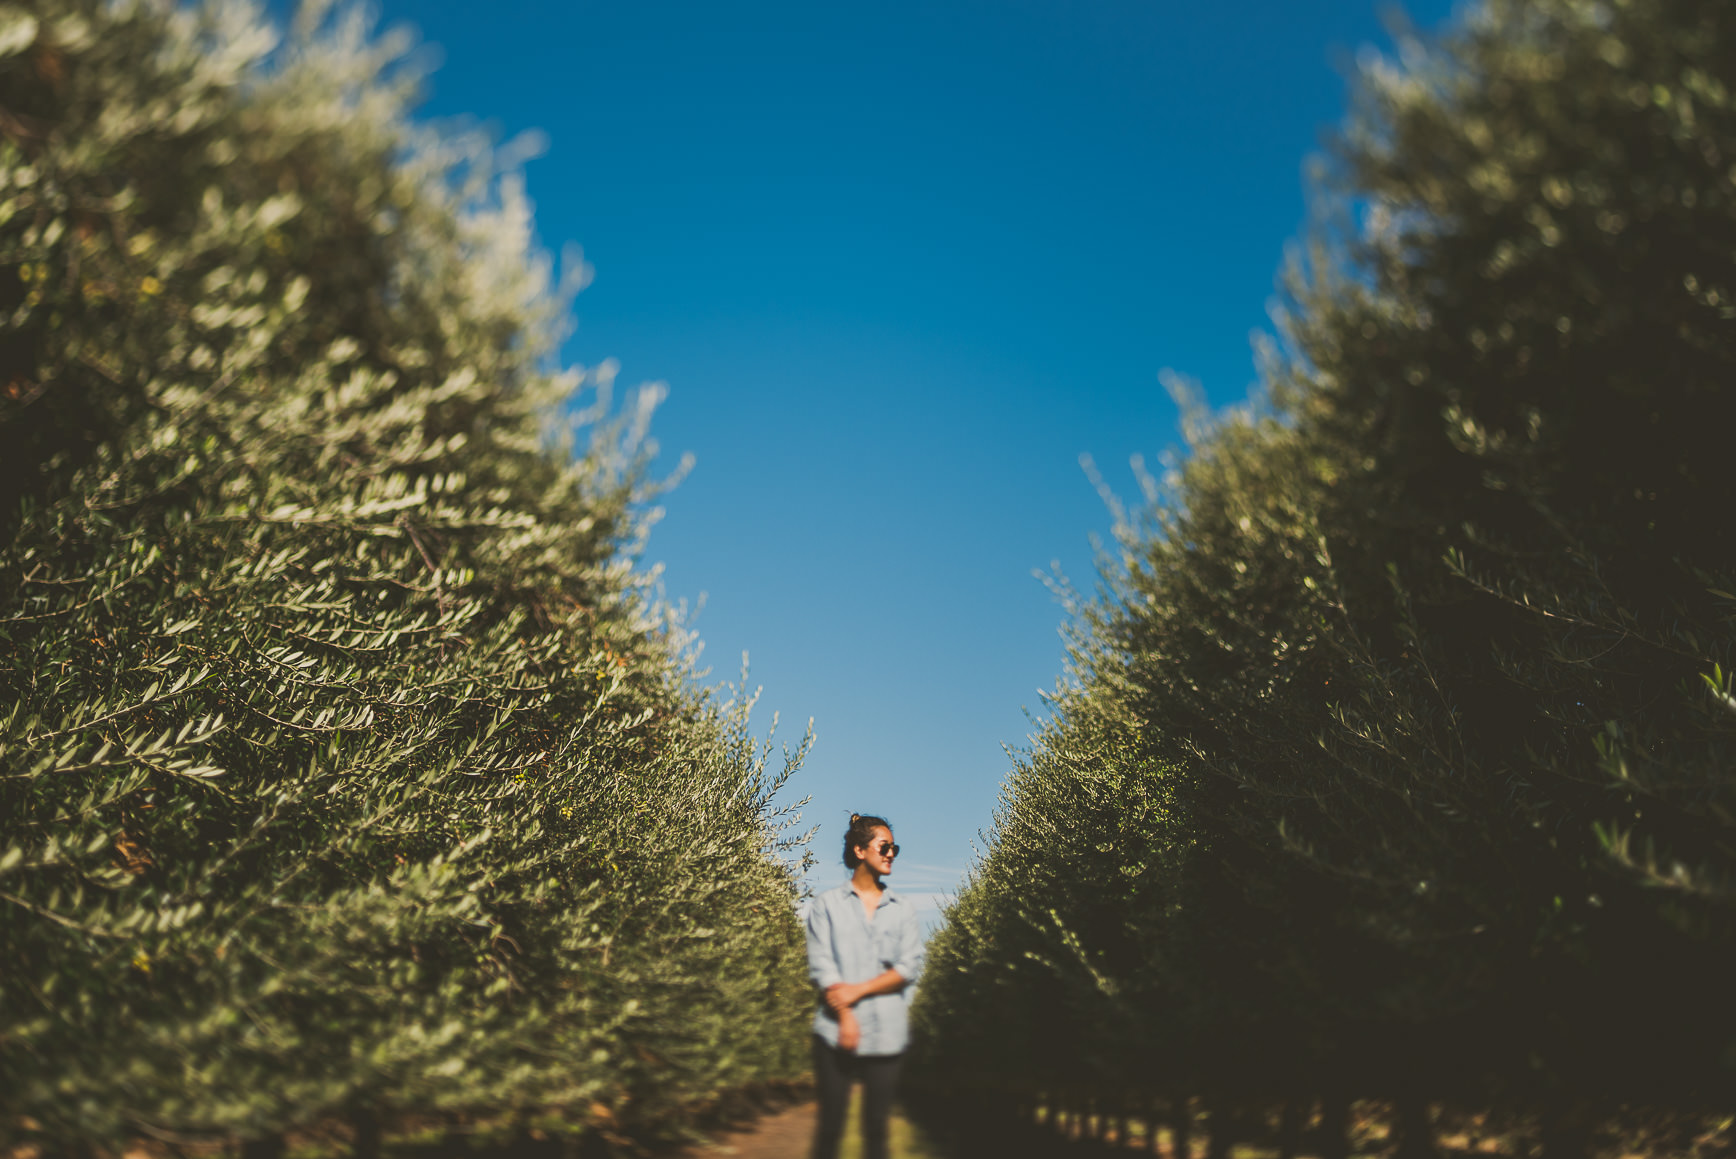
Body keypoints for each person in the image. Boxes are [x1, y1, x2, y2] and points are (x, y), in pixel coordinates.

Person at [804, 813, 924, 1159]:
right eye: (884, 847)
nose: (890, 854)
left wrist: (855, 992)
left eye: (894, 849)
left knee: (876, 1132)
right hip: (833, 1032)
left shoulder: (902, 909)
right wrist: (846, 1017)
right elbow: (822, 967)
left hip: (887, 1033)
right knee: (830, 1128)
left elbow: (907, 968)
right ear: (859, 850)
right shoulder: (827, 906)